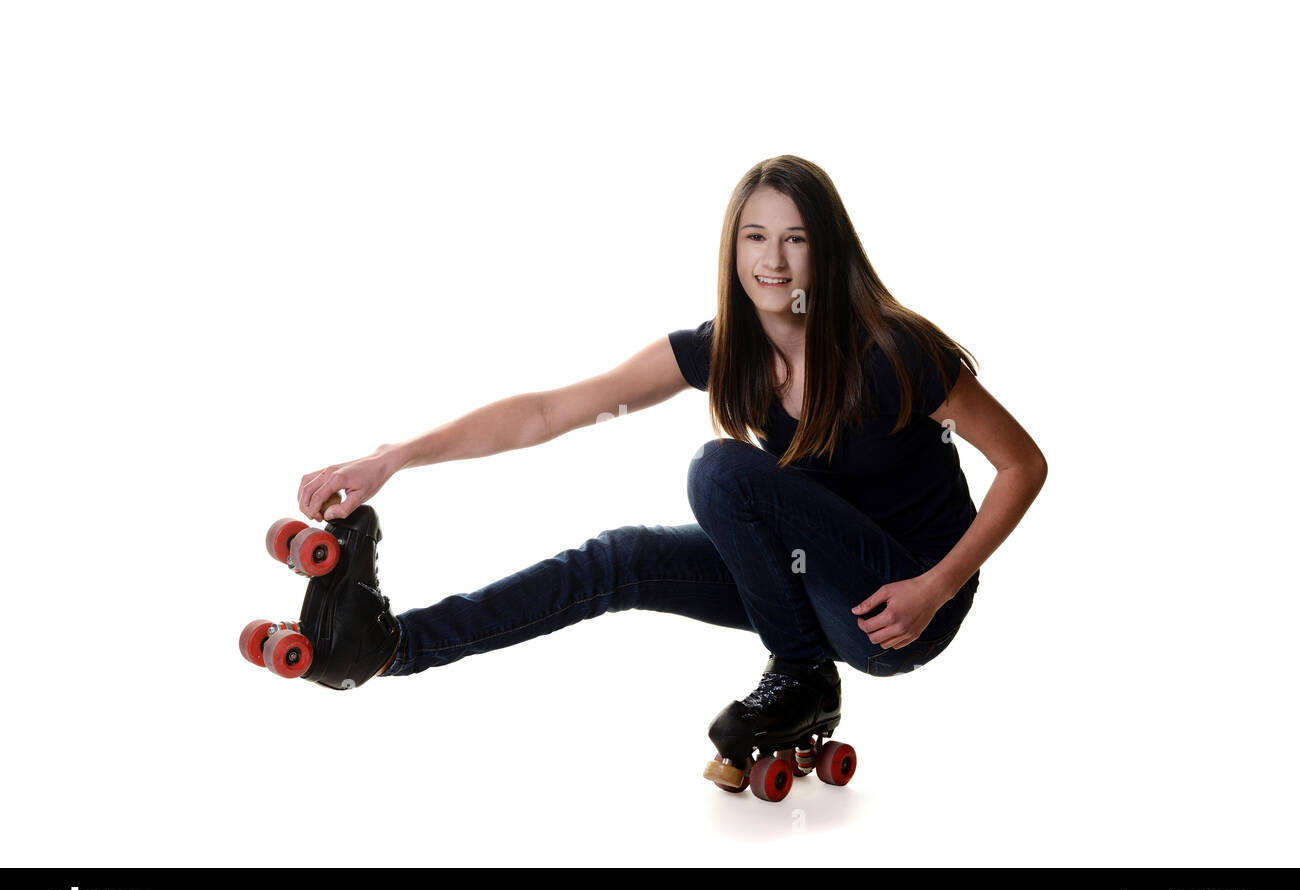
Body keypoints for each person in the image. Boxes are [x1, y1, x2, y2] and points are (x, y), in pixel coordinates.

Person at [293, 155, 1048, 773]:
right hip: (810, 585)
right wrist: (395, 457)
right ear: (735, 249)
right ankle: (394, 646)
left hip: (904, 604)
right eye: (756, 237)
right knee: (620, 559)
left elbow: (1022, 464)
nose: (774, 260)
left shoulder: (890, 351)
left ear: (827, 247)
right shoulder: (730, 350)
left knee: (719, 471)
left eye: (795, 238)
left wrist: (936, 585)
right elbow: (550, 410)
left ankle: (802, 673)